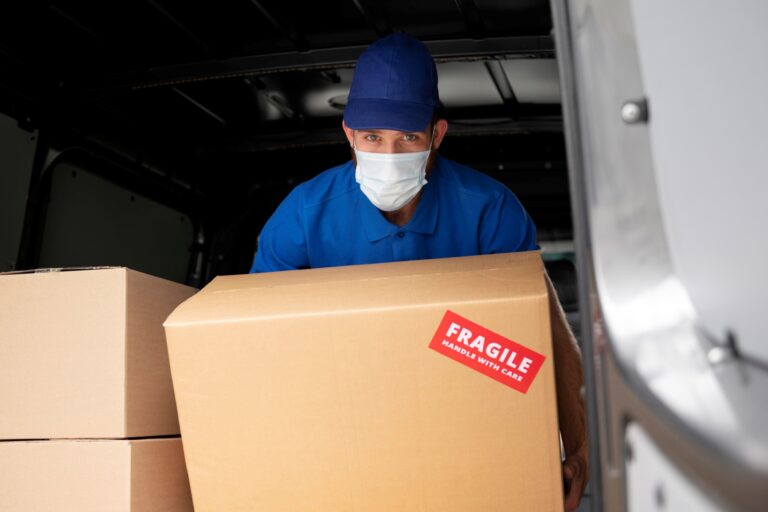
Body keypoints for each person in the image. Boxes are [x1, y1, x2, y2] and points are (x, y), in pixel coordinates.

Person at [250, 32, 588, 511]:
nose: (389, 158)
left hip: (466, 432)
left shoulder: (489, 210)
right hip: (342, 432)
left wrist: (577, 448)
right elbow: (256, 343)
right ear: (348, 133)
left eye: (408, 138)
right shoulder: (304, 214)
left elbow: (539, 336)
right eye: (372, 138)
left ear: (437, 134)